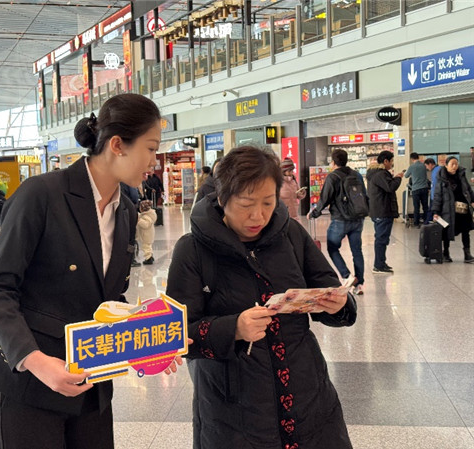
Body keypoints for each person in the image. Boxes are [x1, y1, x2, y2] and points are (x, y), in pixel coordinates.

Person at [0, 93, 182, 449]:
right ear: (117, 145)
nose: (154, 162)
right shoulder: (42, 195)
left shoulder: (125, 211)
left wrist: (148, 340)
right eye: (151, 148)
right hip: (29, 383)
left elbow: (108, 297)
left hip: (91, 382)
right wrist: (35, 362)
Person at [167, 146, 356, 449]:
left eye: (268, 202)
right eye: (246, 204)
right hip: (233, 409)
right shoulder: (192, 250)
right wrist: (234, 328)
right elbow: (177, 334)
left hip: (307, 393)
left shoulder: (290, 234)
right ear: (222, 198)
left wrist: (339, 304)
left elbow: (327, 286)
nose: (258, 215)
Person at [309, 149, 366, 294]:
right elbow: (364, 196)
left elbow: (325, 198)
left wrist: (314, 213)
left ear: (333, 162)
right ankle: (358, 284)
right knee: (357, 251)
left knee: (333, 248)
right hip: (358, 218)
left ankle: (347, 276)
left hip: (340, 219)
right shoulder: (357, 175)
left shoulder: (333, 177)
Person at [366, 150, 403, 273]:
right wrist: (398, 178)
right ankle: (379, 265)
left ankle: (381, 262)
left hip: (379, 210)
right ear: (385, 161)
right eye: (391, 161)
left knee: (382, 238)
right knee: (381, 239)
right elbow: (390, 187)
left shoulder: (375, 173)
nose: (392, 163)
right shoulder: (381, 174)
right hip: (383, 210)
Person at [431, 156, 474, 263]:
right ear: (446, 165)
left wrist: (472, 200)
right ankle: (446, 253)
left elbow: (468, 189)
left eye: (456, 164)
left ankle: (467, 254)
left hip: (463, 208)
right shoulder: (441, 179)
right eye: (452, 164)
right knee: (446, 231)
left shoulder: (461, 175)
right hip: (448, 209)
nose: (454, 166)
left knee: (466, 230)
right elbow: (437, 196)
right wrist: (435, 211)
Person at [404, 152, 429, 227]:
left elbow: (406, 175)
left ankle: (416, 223)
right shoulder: (423, 166)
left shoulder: (412, 167)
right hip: (424, 188)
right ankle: (426, 221)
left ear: (411, 159)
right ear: (418, 157)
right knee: (425, 206)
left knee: (416, 207)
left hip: (416, 189)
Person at [136, 199, 157, 265]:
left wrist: (139, 221)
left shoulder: (146, 216)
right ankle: (150, 256)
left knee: (146, 247)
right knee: (148, 246)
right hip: (149, 234)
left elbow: (145, 224)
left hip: (146, 235)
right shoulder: (149, 214)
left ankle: (148, 258)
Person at [424, 158, 441, 223]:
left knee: (431, 211)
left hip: (435, 196)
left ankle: (426, 225)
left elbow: (436, 184)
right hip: (435, 195)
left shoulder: (436, 171)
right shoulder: (438, 169)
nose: (427, 168)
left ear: (430, 164)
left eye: (426, 166)